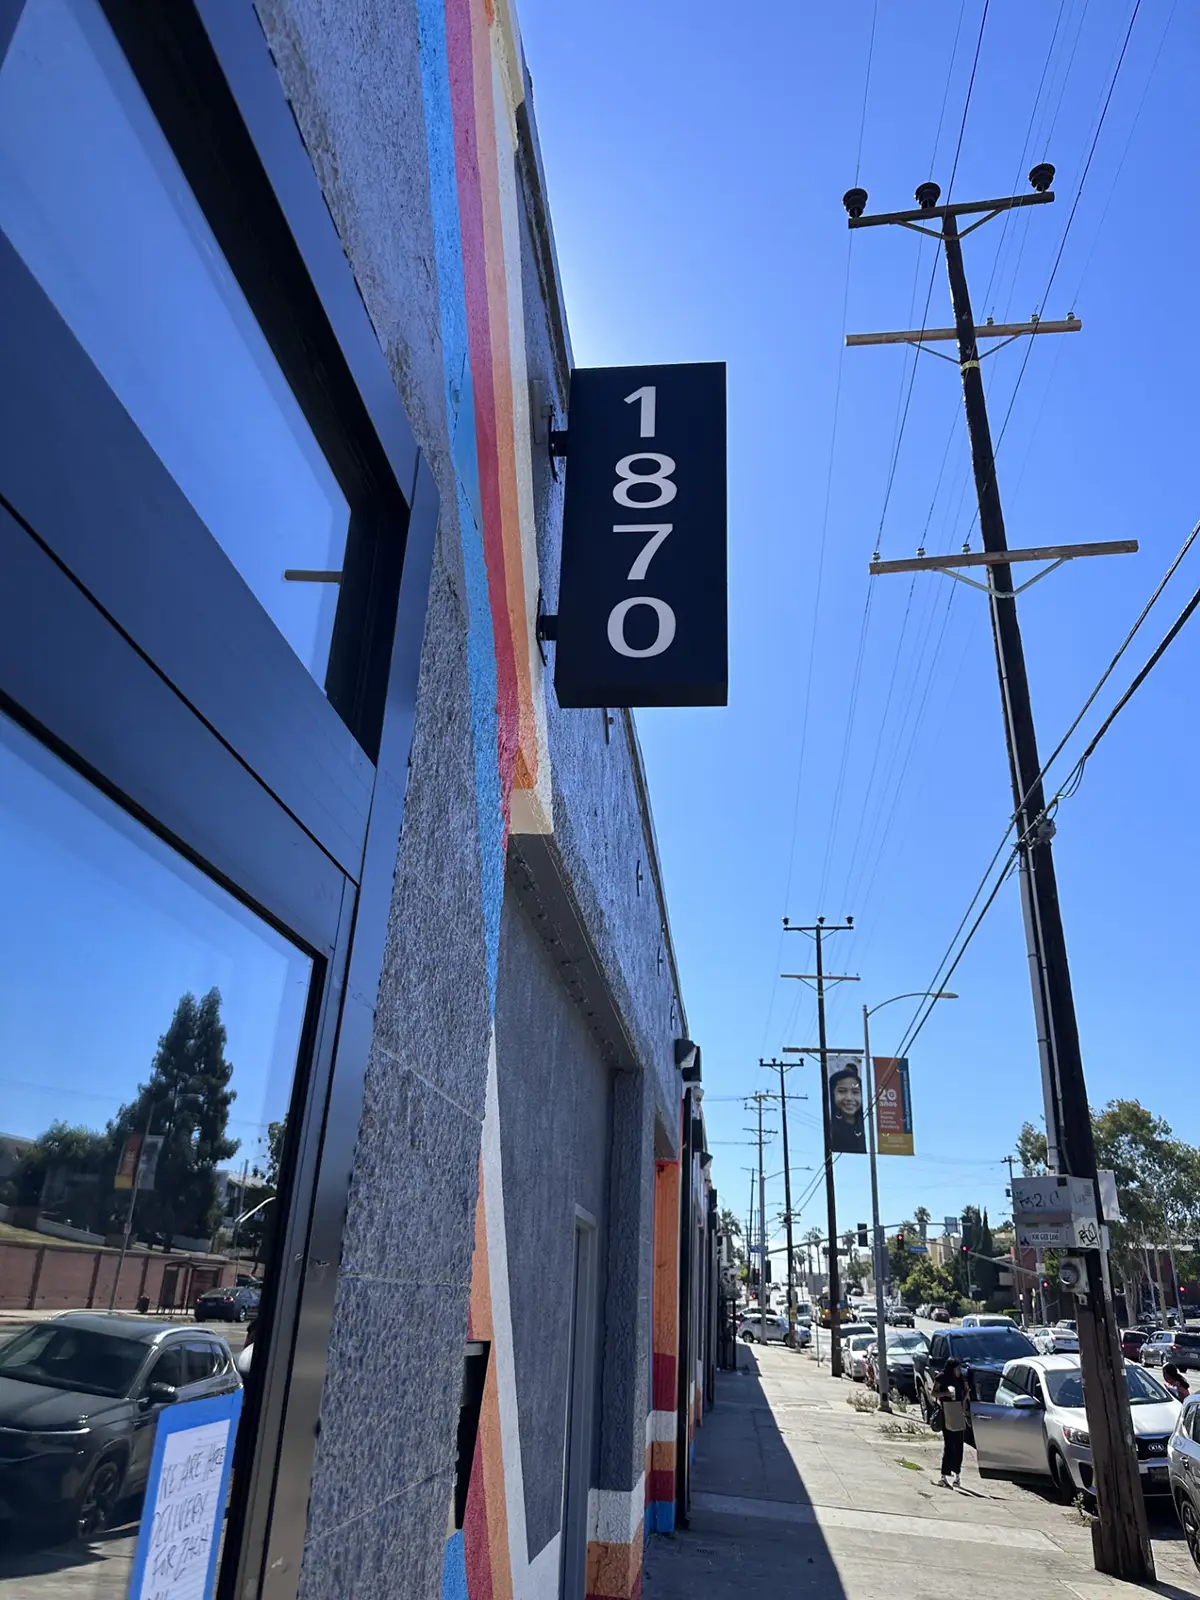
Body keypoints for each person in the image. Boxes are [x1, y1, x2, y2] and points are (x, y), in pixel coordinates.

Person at [934, 1357, 969, 1488]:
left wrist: (963, 1402)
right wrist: (945, 1394)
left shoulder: (961, 1379)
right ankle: (944, 1475)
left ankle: (957, 1475)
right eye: (957, 1368)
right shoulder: (941, 1377)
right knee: (949, 1445)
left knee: (959, 1444)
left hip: (958, 1411)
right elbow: (933, 1393)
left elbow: (966, 1390)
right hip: (946, 1412)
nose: (959, 1371)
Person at [828, 1064, 866, 1153]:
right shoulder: (831, 1130)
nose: (849, 1098)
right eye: (842, 1091)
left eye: (855, 1092)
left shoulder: (864, 1128)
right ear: (833, 1094)